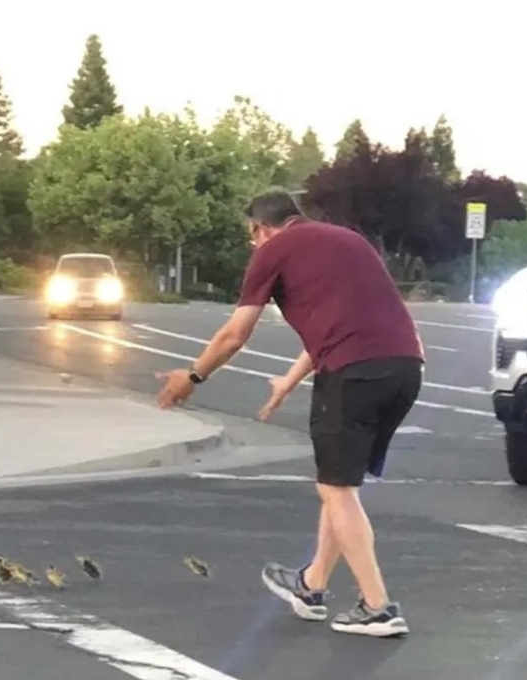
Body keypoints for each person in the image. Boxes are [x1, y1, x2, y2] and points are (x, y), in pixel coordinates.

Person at [156, 189, 423, 638]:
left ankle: (377, 606)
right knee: (340, 485)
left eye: (251, 236)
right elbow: (344, 323)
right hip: (405, 368)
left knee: (336, 490)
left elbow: (234, 334)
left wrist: (194, 377)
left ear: (261, 227)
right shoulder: (348, 240)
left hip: (353, 374)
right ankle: (312, 583)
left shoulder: (273, 250)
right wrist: (289, 380)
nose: (252, 245)